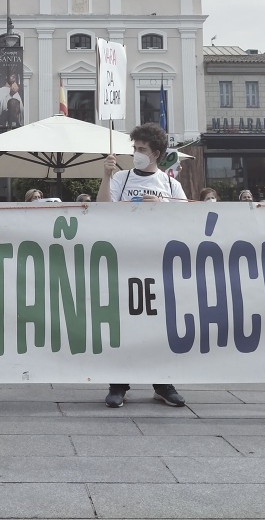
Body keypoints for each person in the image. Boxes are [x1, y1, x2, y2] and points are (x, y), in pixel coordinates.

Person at [98, 122, 187, 408]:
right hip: (125, 263)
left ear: (156, 153)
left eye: (142, 149)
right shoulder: (121, 178)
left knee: (158, 325)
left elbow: (188, 223)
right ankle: (118, 384)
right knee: (123, 323)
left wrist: (162, 208)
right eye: (133, 148)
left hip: (157, 266)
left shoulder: (171, 184)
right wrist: (104, 176)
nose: (136, 153)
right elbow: (101, 211)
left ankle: (162, 382)